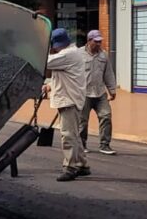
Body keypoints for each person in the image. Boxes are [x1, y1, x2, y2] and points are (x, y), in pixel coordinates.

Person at [42, 28, 89, 181]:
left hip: (69, 100)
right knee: (74, 134)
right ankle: (82, 164)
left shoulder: (68, 54)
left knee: (68, 135)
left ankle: (70, 167)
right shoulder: (70, 53)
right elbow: (62, 75)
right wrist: (50, 85)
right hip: (69, 98)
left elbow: (45, 62)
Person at [79, 29, 117, 156]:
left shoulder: (103, 55)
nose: (99, 44)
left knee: (106, 116)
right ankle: (81, 143)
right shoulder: (78, 54)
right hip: (84, 93)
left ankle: (105, 145)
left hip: (100, 93)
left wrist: (112, 90)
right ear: (89, 41)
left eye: (100, 42)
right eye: (96, 42)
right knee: (82, 120)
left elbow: (109, 73)